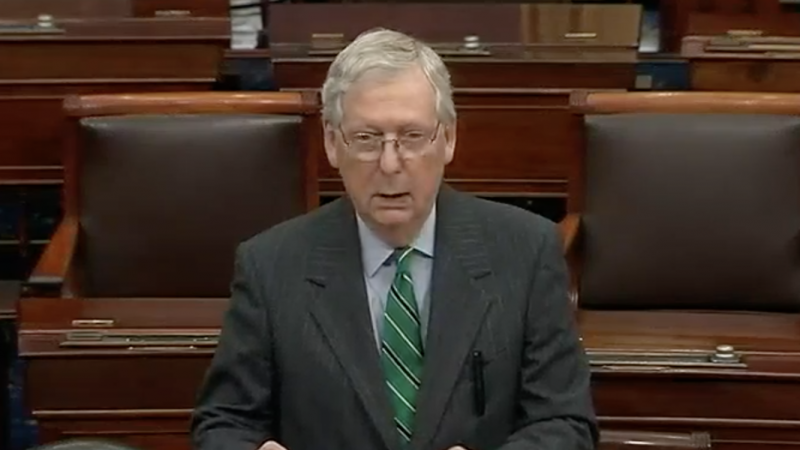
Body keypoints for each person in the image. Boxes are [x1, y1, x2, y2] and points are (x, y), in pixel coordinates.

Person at [191, 28, 598, 450]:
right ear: (332, 143)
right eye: (366, 139)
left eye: (412, 137)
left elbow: (566, 422)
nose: (390, 163)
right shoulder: (270, 265)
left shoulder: (525, 251)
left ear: (448, 138)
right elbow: (223, 424)